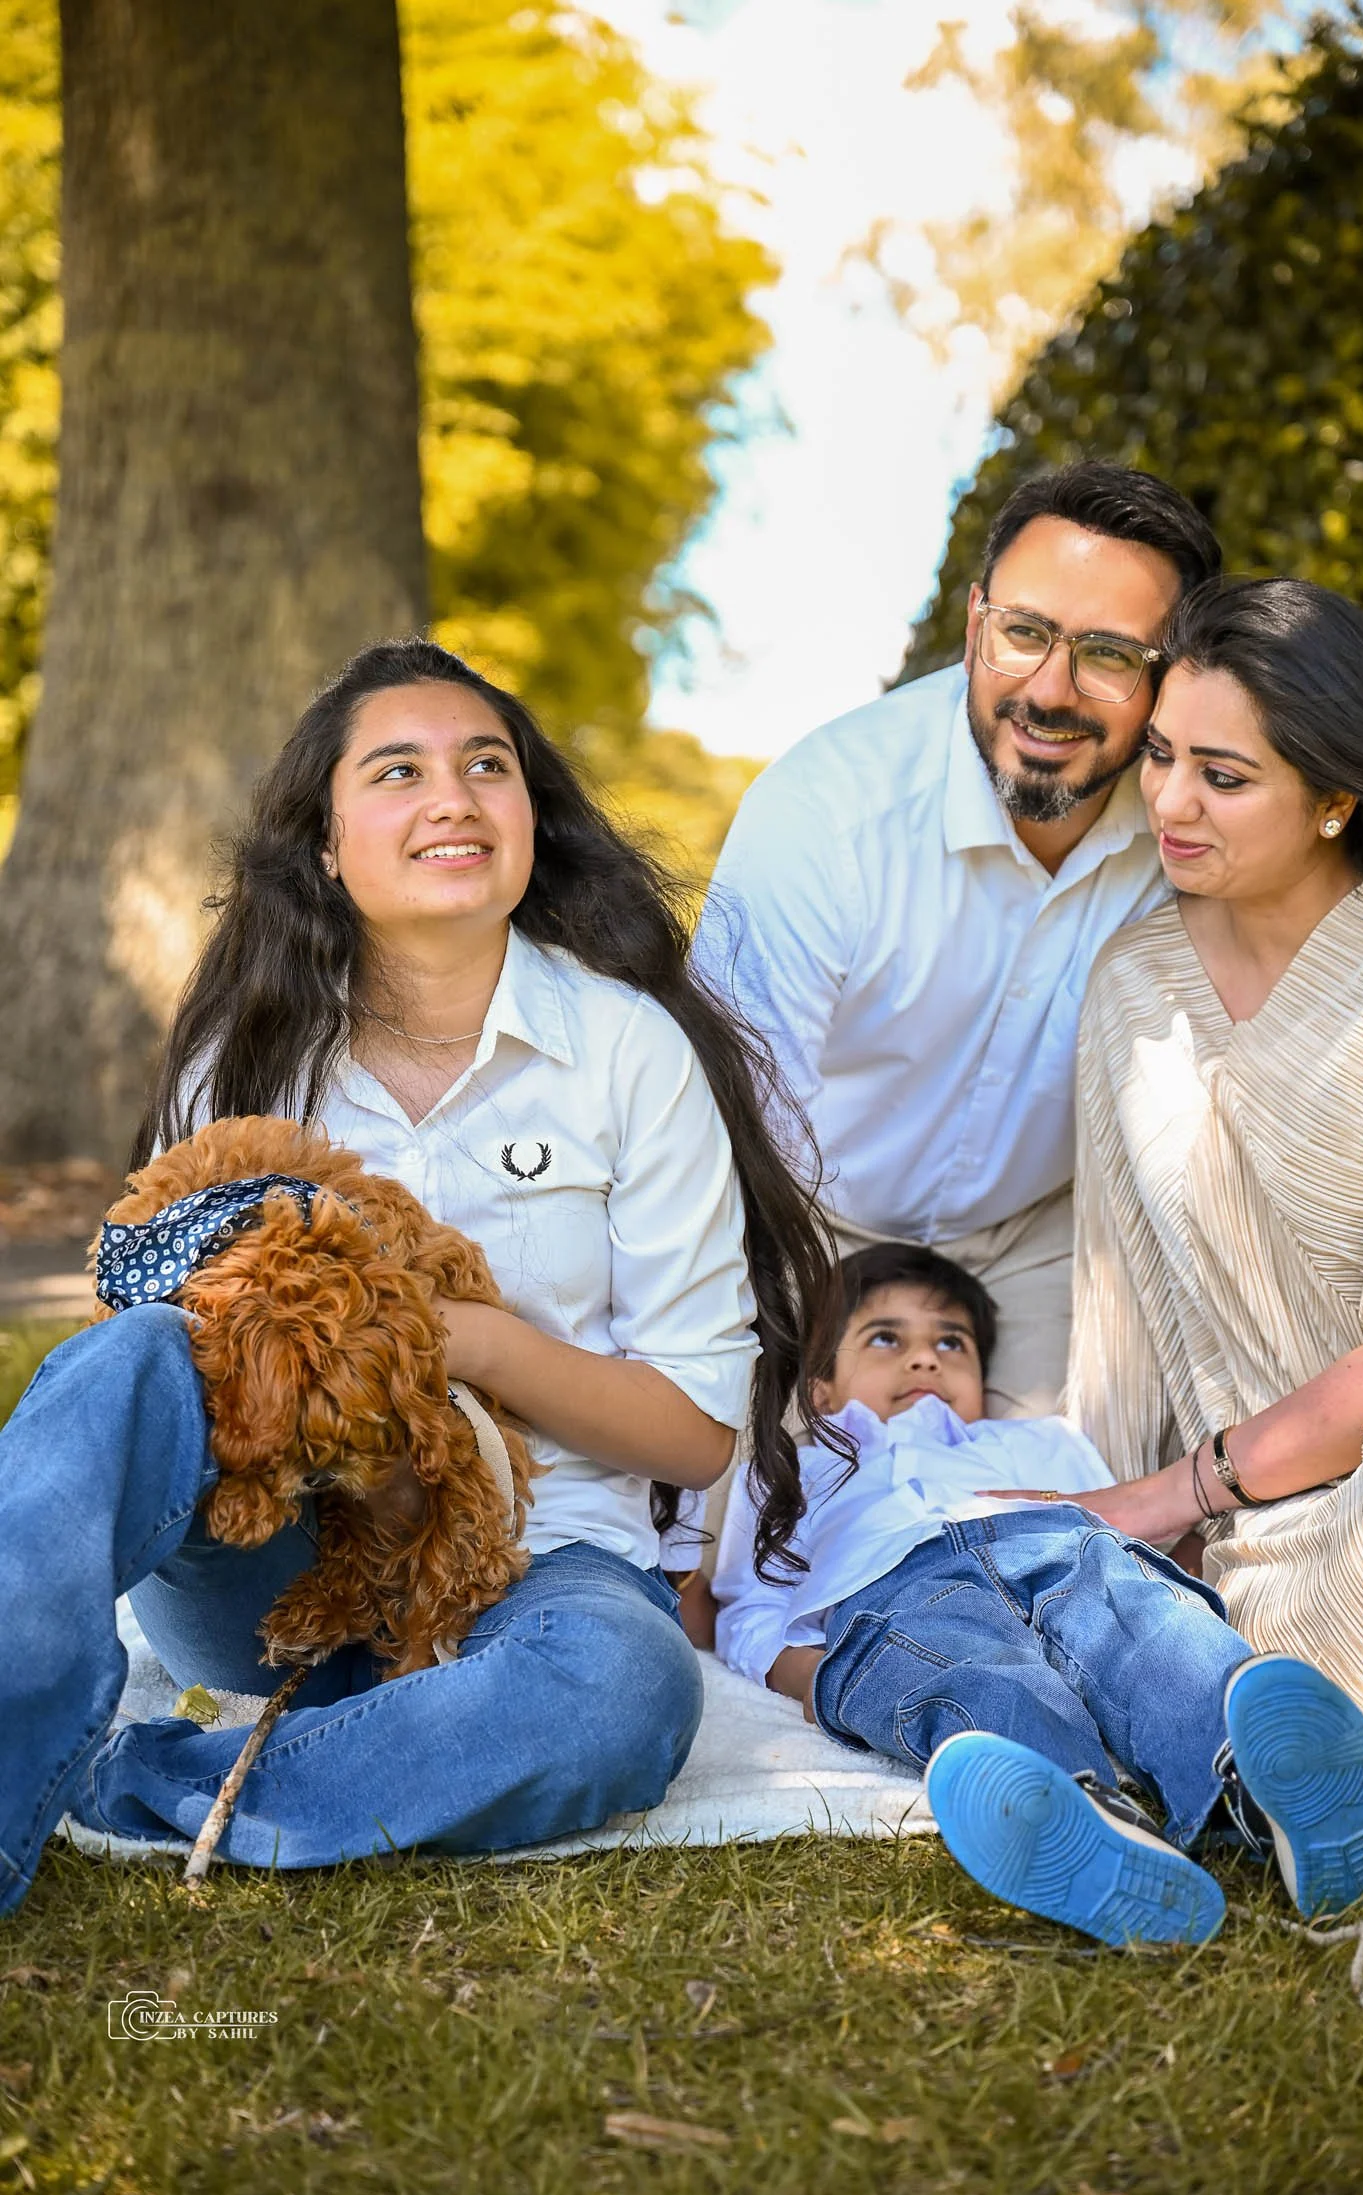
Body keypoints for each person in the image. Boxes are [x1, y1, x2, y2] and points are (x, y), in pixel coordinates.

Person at [0, 638, 835, 1916]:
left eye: (485, 765)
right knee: (125, 1360)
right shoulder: (243, 1059)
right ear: (328, 845)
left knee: (627, 1695)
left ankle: (149, 1783)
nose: (452, 796)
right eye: (399, 770)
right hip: (271, 1566)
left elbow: (695, 1434)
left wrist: (463, 1342)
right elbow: (171, 1354)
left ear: (530, 824)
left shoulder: (629, 1052)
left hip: (531, 1573)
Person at [694, 462, 1222, 1421]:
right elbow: (726, 1136)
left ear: (1171, 677)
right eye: (1023, 635)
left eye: (1107, 655)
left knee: (1061, 1513)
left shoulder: (1196, 820)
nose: (1049, 692)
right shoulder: (825, 811)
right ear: (977, 622)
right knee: (770, 1525)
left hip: (1043, 1238)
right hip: (809, 1222)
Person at [714, 1243, 1363, 1945]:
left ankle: (1262, 1777)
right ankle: (1080, 1819)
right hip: (900, 1594)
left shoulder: (1040, 1439)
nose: (925, 1359)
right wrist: (802, 1671)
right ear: (820, 1387)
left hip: (1055, 1546)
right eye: (885, 1338)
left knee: (1145, 1633)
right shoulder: (791, 1465)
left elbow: (1127, 1535)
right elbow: (749, 1603)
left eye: (951, 1342)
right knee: (972, 1680)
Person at [1065, 576, 1363, 1732]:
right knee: (1027, 1561)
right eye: (1159, 755)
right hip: (1243, 1540)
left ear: (1336, 797)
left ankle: (1226, 1677)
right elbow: (1121, 1299)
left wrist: (1173, 1492)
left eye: (1223, 776)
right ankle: (1215, 1664)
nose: (1169, 804)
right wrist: (1114, 1508)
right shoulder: (1130, 978)